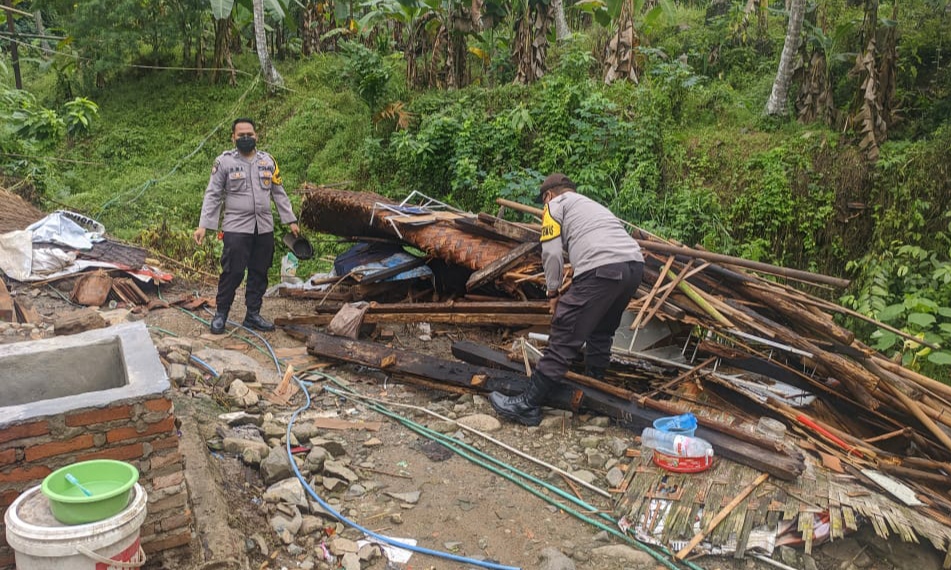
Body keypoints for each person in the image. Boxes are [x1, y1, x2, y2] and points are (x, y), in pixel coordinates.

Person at [489, 173, 645, 426]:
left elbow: (551, 253)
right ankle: (596, 390)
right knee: (600, 331)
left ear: (548, 195)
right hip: (633, 268)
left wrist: (553, 292)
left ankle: (528, 405)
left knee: (565, 330)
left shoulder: (553, 206)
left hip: (602, 269)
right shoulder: (593, 206)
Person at [193, 118, 300, 334]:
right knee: (233, 272)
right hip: (236, 227)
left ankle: (253, 315)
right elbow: (213, 194)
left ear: (256, 135)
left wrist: (290, 220)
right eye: (240, 135)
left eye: (249, 134)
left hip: (264, 227)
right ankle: (221, 313)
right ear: (233, 137)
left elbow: (279, 192)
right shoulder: (224, 162)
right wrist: (204, 225)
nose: (245, 138)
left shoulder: (268, 162)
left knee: (259, 272)